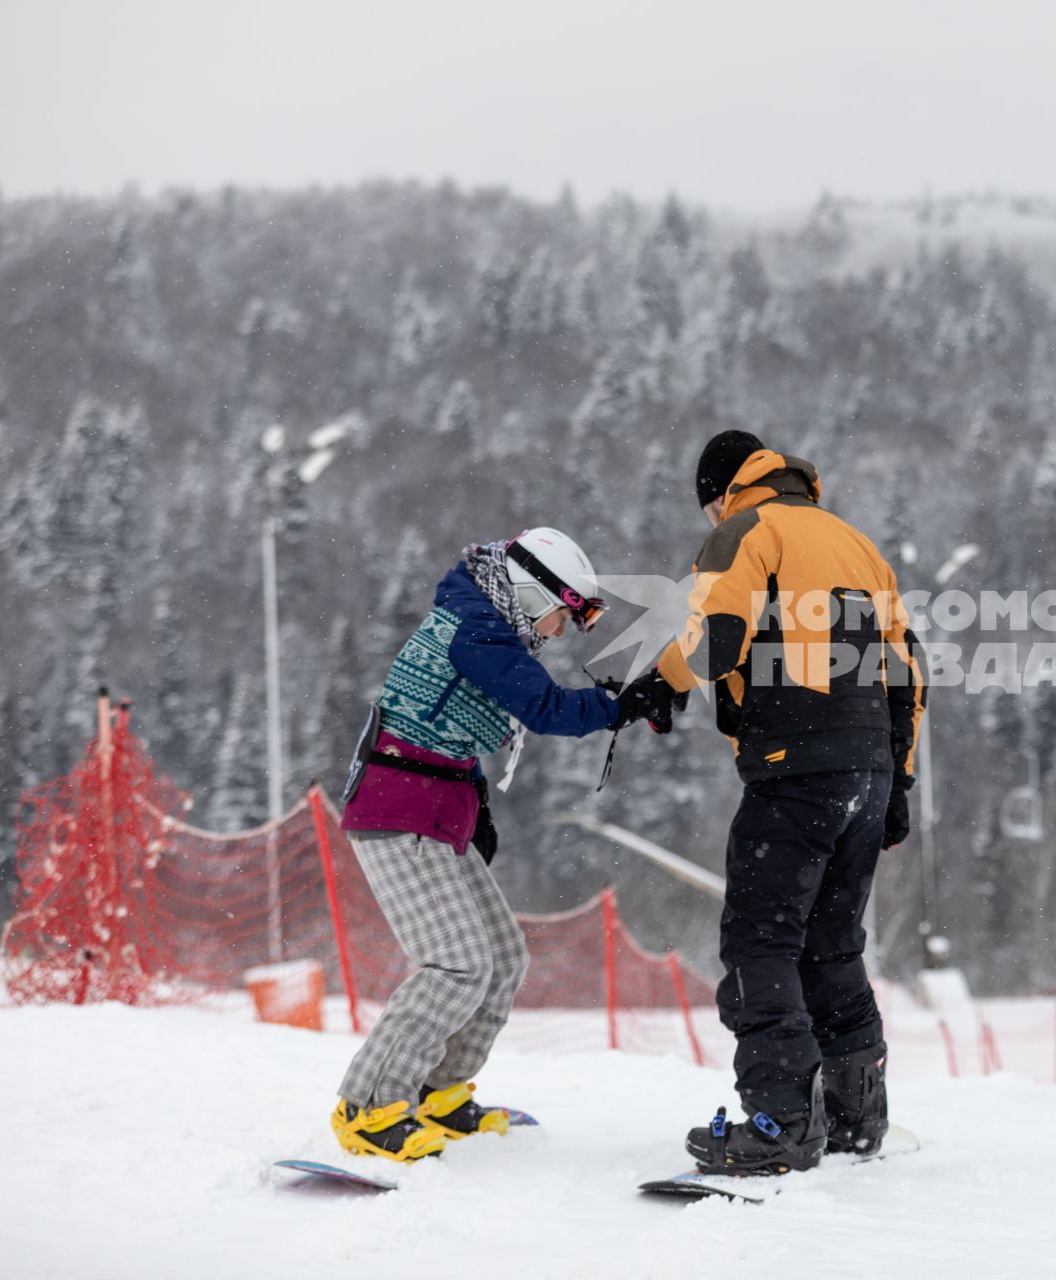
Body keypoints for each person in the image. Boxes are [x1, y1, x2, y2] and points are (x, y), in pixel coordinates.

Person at [622, 430, 927, 1175]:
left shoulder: (745, 530)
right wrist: (900, 780)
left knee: (761, 944)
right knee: (833, 942)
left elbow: (716, 639)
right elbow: (907, 673)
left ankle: (780, 1122)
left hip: (795, 770)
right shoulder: (857, 544)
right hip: (867, 771)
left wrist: (658, 680)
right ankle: (857, 1119)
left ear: (722, 491)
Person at [330, 528, 657, 1163]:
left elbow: (443, 720)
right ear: (536, 592)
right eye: (569, 614)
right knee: (457, 963)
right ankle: (368, 1109)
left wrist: (474, 797)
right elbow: (544, 707)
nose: (565, 632)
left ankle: (436, 1093)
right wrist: (624, 705)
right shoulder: (473, 625)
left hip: (435, 807)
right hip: (399, 810)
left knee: (502, 957)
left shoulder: (483, 621)